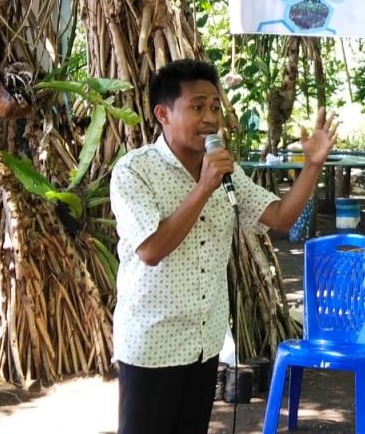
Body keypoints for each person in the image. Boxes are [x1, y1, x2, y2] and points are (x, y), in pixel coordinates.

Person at [110, 59, 338, 434]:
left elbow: (281, 218)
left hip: (204, 340)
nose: (210, 118)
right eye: (197, 107)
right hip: (153, 342)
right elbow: (151, 250)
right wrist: (204, 187)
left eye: (215, 107)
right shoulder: (135, 171)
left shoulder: (226, 171)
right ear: (163, 114)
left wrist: (312, 165)